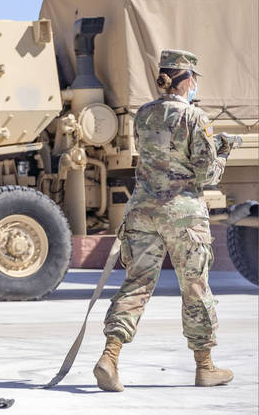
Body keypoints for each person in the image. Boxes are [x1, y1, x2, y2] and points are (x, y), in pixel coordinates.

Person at [95, 49, 233, 391]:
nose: (195, 86)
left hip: (142, 211)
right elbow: (206, 175)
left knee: (137, 283)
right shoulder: (195, 118)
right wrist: (223, 154)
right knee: (195, 288)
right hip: (184, 215)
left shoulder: (143, 115)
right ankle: (205, 367)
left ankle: (109, 358)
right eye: (194, 80)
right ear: (185, 80)